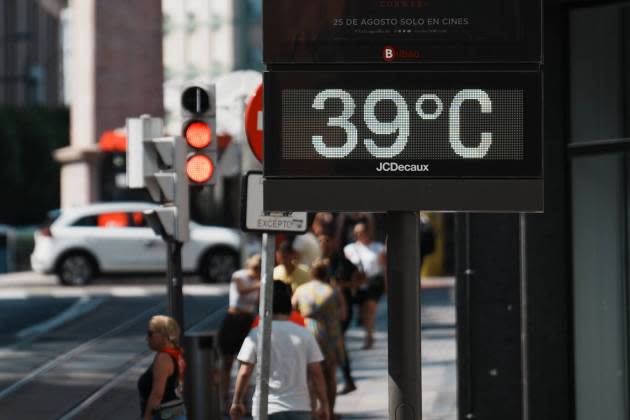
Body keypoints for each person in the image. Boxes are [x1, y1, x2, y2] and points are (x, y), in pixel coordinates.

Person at [230, 281, 329, 420]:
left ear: (266, 309)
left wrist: (237, 401)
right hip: (299, 407)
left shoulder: (257, 333)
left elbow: (245, 371)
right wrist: (323, 404)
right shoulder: (304, 333)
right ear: (290, 310)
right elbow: (316, 372)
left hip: (266, 408)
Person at [292, 259, 344, 420]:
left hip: (307, 333)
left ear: (311, 274)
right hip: (330, 334)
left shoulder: (301, 290)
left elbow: (292, 310)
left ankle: (313, 411)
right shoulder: (333, 290)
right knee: (330, 374)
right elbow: (344, 315)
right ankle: (329, 411)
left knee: (309, 374)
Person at [318, 229, 361, 394]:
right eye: (321, 241)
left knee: (337, 342)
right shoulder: (317, 261)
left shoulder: (340, 261)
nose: (324, 245)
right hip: (324, 309)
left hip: (342, 308)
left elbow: (360, 276)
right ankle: (341, 378)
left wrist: (346, 287)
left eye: (327, 241)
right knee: (335, 343)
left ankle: (341, 378)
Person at [218, 254, 262, 408]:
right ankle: (224, 398)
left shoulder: (259, 281)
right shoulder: (239, 275)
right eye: (255, 266)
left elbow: (258, 303)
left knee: (245, 361)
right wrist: (259, 284)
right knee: (227, 360)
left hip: (247, 320)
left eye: (259, 267)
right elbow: (241, 289)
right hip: (233, 319)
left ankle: (241, 398)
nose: (256, 270)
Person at [343, 222, 386, 350]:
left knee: (370, 307)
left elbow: (384, 267)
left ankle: (369, 335)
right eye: (356, 232)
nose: (359, 234)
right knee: (362, 310)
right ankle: (367, 331)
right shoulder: (349, 248)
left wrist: (386, 284)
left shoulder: (378, 247)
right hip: (357, 283)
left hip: (374, 281)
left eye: (361, 231)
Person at [138, 315, 187, 420]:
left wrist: (147, 418)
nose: (147, 338)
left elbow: (157, 395)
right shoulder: (178, 353)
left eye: (150, 334)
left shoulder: (163, 359)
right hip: (176, 412)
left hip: (164, 415)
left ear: (163, 336)